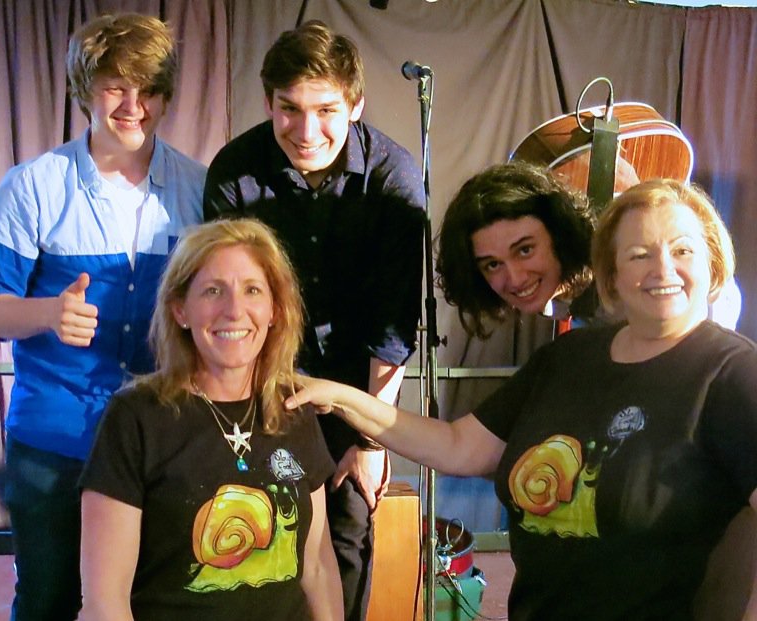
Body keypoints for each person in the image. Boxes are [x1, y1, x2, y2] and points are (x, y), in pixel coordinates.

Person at [286, 178, 757, 620]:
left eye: (682, 250)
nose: (662, 269)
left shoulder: (734, 373)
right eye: (639, 255)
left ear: (712, 261)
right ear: (611, 274)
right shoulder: (568, 356)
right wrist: (343, 398)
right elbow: (457, 445)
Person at [0, 13, 206, 619]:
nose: (133, 104)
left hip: (162, 436)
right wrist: (46, 312)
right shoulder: (32, 186)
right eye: (116, 86)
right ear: (84, 90)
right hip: (54, 440)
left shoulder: (200, 187)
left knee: (150, 600)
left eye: (148, 89)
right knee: (46, 597)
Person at [203, 19, 425, 620]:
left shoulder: (394, 176)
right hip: (260, 379)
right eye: (289, 109)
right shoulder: (235, 168)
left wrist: (371, 438)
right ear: (268, 102)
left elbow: (394, 320)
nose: (306, 132)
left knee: (347, 535)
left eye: (326, 110)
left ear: (356, 104)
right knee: (255, 531)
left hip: (357, 386)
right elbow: (224, 301)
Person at [79, 219, 342, 621]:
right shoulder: (135, 417)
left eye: (252, 290)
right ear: (180, 309)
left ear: (274, 310)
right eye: (213, 291)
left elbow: (318, 569)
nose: (234, 310)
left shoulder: (295, 407)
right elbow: (104, 601)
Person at [436, 160, 595, 337]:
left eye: (525, 250)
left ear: (560, 234)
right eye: (493, 264)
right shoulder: (564, 304)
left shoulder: (617, 298)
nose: (516, 279)